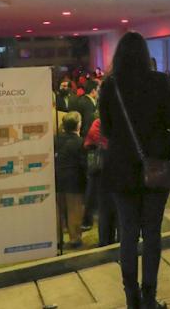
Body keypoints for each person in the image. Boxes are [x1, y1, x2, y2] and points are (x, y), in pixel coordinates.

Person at [99, 32, 170, 309]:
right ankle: (149, 298)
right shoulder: (159, 82)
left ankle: (131, 298)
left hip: (120, 169)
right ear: (145, 54)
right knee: (152, 233)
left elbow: (107, 129)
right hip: (154, 165)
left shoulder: (110, 86)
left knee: (128, 234)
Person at [84, 115, 118, 247]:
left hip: (100, 174)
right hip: (112, 171)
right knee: (115, 208)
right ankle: (114, 239)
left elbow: (88, 143)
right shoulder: (118, 123)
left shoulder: (97, 124)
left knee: (105, 209)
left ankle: (105, 240)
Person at [55, 111, 87, 249]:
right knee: (74, 210)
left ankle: (57, 238)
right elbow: (83, 163)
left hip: (57, 179)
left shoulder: (56, 139)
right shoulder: (80, 142)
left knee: (58, 211)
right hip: (74, 181)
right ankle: (74, 238)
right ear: (78, 125)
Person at [77, 79, 100, 230]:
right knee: (92, 187)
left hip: (94, 153)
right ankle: (87, 218)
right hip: (95, 154)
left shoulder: (95, 112)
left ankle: (88, 217)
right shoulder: (93, 114)